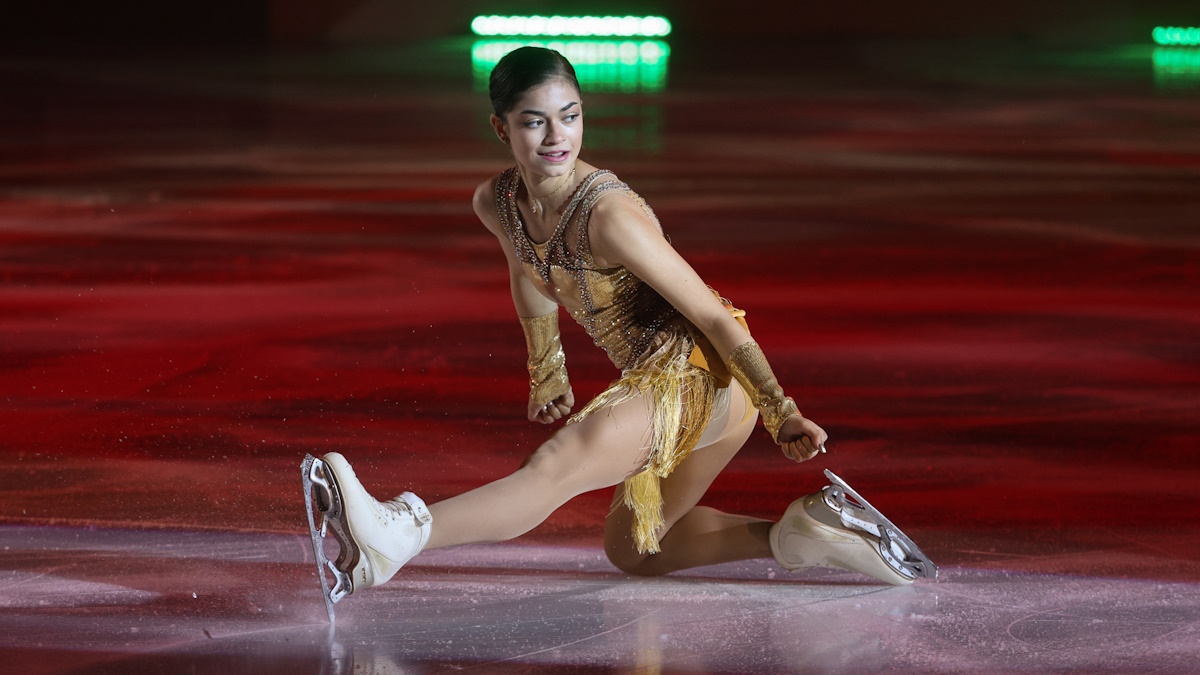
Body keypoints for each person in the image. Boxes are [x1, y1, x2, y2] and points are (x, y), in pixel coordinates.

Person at [300, 47, 934, 618]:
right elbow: (526, 272)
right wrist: (547, 367)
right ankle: (803, 533)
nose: (557, 136)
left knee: (555, 465)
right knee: (637, 547)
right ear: (501, 128)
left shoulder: (609, 214)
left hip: (702, 376)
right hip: (659, 381)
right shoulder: (497, 202)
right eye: (535, 121)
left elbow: (716, 316)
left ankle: (395, 535)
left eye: (570, 116)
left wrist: (782, 410)